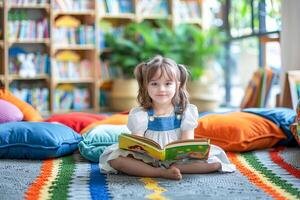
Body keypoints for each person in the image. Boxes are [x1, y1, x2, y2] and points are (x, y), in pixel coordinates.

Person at [99, 55, 236, 180]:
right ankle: (160, 172)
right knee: (114, 159)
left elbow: (187, 142)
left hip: (180, 160)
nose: (161, 89)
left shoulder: (186, 111)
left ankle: (171, 168)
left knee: (216, 162)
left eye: (168, 84)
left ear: (178, 85)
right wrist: (147, 153)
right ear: (145, 86)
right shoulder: (141, 114)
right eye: (154, 84)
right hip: (147, 159)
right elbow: (137, 146)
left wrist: (183, 154)